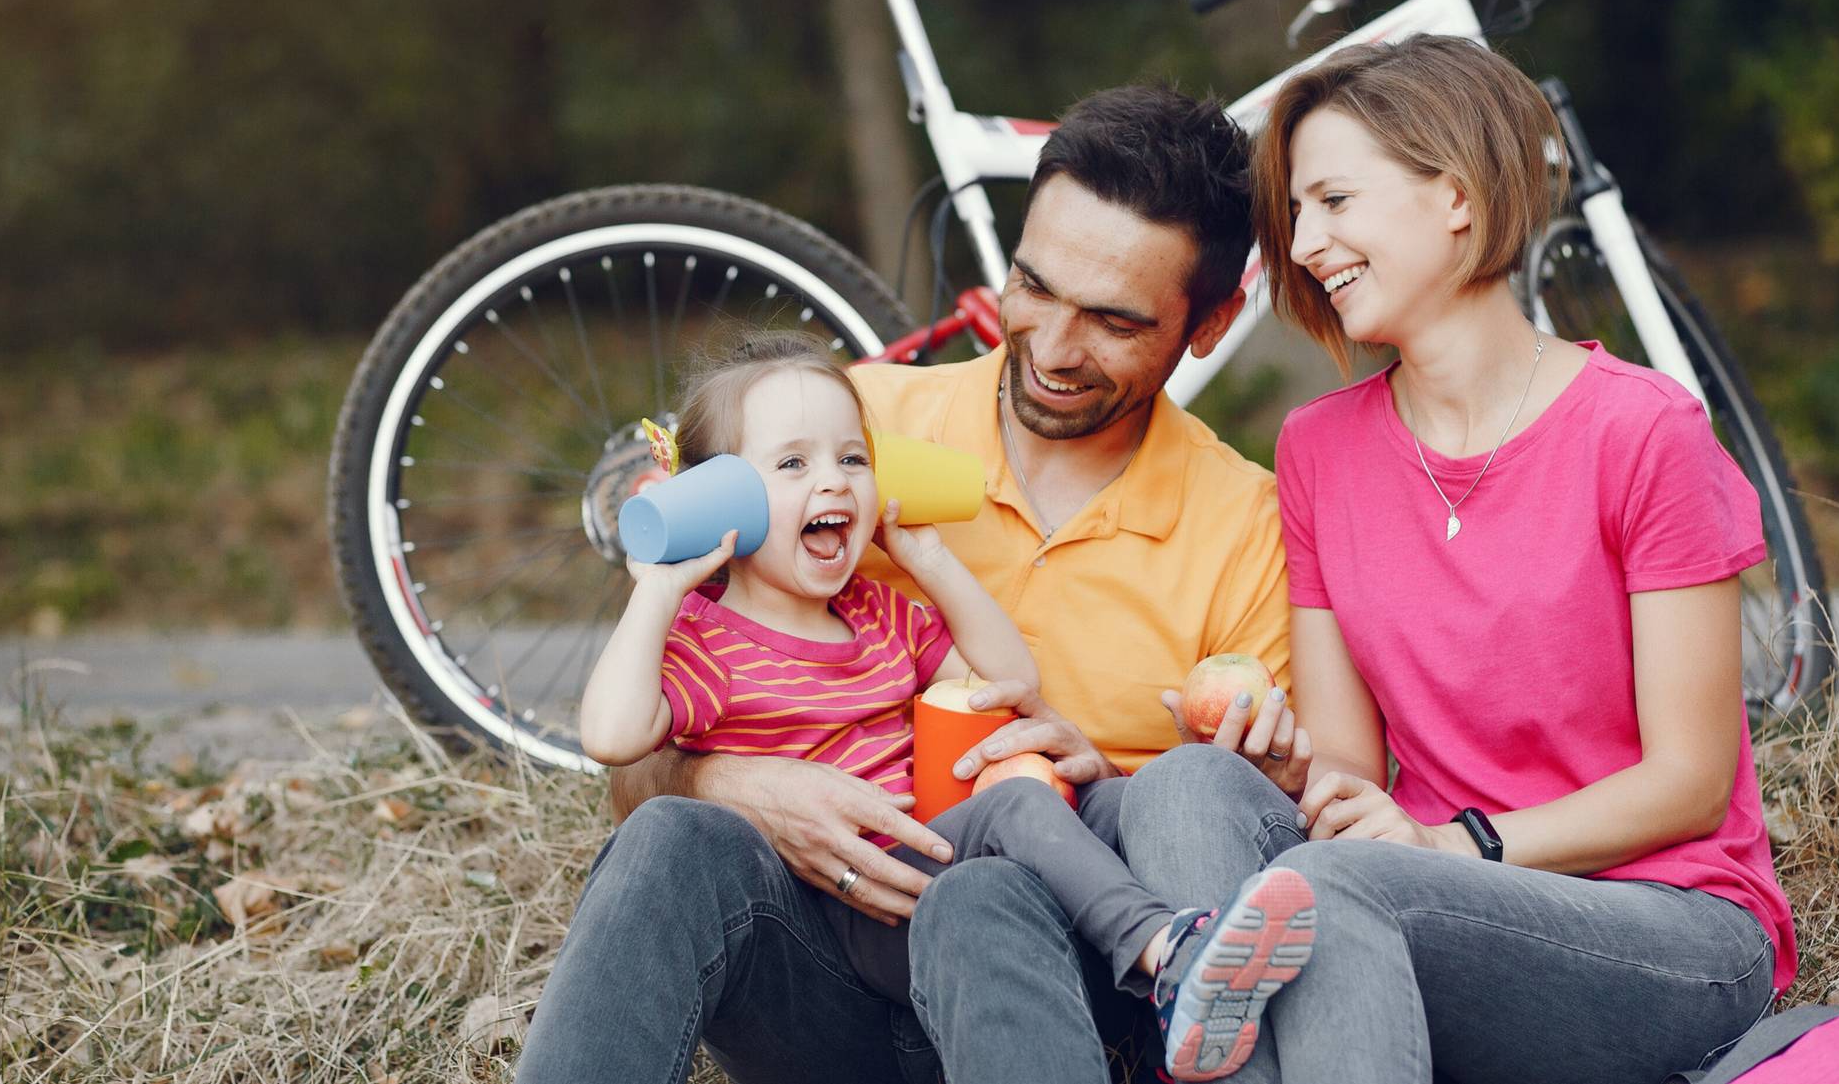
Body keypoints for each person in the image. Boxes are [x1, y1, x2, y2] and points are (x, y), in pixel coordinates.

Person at [513, 85, 1314, 1084]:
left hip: (1070, 999)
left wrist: (1108, 776)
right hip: (832, 981)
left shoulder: (1249, 528)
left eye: (1111, 320)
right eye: (1035, 285)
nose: (1056, 347)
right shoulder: (845, 430)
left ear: (1211, 322)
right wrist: (734, 780)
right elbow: (637, 753)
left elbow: (1245, 822)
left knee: (1011, 880)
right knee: (672, 835)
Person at [1241, 34, 1796, 1081]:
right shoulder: (1317, 449)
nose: (1305, 241)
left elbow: (1688, 780)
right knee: (1203, 797)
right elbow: (1352, 768)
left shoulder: (1644, 431)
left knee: (1333, 896)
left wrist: (1461, 845)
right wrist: (1288, 765)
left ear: (1454, 194)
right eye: (1297, 213)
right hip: (1437, 903)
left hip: (1673, 923)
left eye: (1333, 200)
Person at [575, 329, 1316, 1081]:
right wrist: (660, 587)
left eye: (854, 458)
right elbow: (612, 734)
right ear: (719, 498)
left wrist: (926, 554)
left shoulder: (880, 615)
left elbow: (1007, 677)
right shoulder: (707, 641)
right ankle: (1166, 952)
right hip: (843, 919)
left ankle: (1186, 962)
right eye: (793, 462)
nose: (833, 482)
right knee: (1013, 804)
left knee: (1101, 799)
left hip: (937, 888)